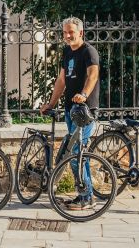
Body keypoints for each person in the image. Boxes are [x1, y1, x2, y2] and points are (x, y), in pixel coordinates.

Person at [40, 16, 101, 210]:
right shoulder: (67, 52)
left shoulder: (89, 52)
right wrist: (51, 103)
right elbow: (61, 81)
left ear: (80, 32)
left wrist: (84, 94)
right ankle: (86, 193)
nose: (67, 35)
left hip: (85, 111)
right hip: (69, 110)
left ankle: (86, 196)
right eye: (65, 32)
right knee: (78, 152)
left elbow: (93, 75)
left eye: (71, 32)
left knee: (76, 153)